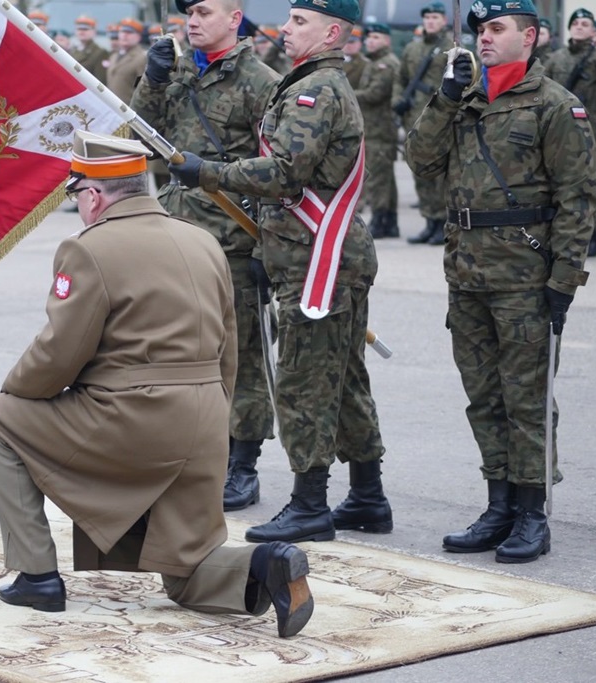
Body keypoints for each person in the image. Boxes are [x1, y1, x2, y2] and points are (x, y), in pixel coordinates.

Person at [0, 130, 313, 638]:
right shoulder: (202, 240)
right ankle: (268, 563)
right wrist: (215, 412)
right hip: (206, 418)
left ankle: (36, 576)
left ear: (93, 195)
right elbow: (229, 346)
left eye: (77, 195)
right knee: (186, 573)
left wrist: (15, 391)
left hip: (135, 419)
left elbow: (59, 355)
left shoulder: (88, 248)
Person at [169, 0, 392, 544]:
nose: (285, 29)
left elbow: (286, 173)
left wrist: (209, 172)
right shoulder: (306, 83)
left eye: (299, 21)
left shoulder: (318, 90)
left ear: (332, 33)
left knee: (303, 383)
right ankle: (367, 496)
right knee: (343, 379)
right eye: (289, 19)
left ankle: (309, 504)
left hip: (318, 256)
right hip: (312, 252)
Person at [405, 0, 596, 563]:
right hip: (466, 272)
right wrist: (444, 96)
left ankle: (532, 513)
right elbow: (419, 159)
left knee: (526, 399)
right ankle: (499, 505)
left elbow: (578, 198)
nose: (484, 38)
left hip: (525, 277)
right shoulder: (462, 99)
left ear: (529, 37)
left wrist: (564, 281)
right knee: (484, 396)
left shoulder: (555, 105)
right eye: (480, 30)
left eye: (496, 29)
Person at [131, 0, 279, 513]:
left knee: (243, 357)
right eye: (188, 13)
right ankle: (190, 457)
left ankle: (243, 465)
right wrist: (152, 81)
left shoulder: (262, 82)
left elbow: (277, 172)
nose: (192, 22)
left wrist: (266, 245)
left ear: (235, 18)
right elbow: (137, 139)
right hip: (175, 236)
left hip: (232, 241)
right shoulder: (177, 74)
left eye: (204, 12)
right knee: (177, 353)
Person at [545, 9, 596, 254]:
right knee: (560, 182)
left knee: (595, 183)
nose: (579, 26)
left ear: (593, 30)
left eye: (585, 23)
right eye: (575, 23)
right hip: (560, 131)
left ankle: (594, 233)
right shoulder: (556, 58)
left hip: (593, 132)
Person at [393, 2, 453, 245]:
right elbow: (401, 78)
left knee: (440, 176)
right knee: (419, 173)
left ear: (443, 20)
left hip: (440, 120)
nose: (430, 21)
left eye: (435, 17)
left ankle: (443, 223)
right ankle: (429, 221)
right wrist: (398, 100)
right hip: (414, 119)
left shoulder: (451, 48)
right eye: (427, 17)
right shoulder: (412, 48)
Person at [355, 22, 401, 238]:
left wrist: (347, 92)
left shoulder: (385, 64)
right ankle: (389, 222)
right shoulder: (375, 62)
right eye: (369, 37)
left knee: (378, 178)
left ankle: (380, 219)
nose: (370, 41)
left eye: (376, 37)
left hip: (380, 129)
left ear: (386, 41)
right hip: (375, 128)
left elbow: (374, 94)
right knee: (385, 178)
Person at [106, 18, 147, 105]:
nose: (125, 35)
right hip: (111, 106)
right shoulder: (114, 56)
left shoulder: (142, 58)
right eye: (122, 32)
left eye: (129, 32)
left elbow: (144, 89)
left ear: (138, 37)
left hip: (129, 108)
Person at [69, 15, 107, 85]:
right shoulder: (74, 51)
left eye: (85, 29)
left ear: (94, 32)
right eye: (79, 29)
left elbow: (100, 80)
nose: (82, 32)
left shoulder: (100, 53)